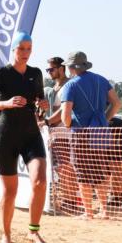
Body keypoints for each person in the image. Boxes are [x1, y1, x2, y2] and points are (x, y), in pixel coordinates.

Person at [0, 32, 50, 243]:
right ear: (13, 50)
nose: (25, 53)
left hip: (30, 134)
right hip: (6, 136)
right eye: (21, 48)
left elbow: (39, 102)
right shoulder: (2, 73)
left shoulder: (36, 73)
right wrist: (7, 103)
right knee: (10, 191)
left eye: (29, 48)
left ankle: (33, 231)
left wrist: (43, 106)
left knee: (39, 181)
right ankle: (6, 234)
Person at [58, 51, 121, 219]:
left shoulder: (70, 85)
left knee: (82, 172)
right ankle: (104, 210)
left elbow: (65, 115)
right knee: (101, 170)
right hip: (100, 131)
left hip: (80, 133)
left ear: (71, 67)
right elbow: (117, 104)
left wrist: (69, 125)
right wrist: (104, 119)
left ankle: (88, 212)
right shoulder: (101, 80)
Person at [43, 56, 76, 213]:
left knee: (65, 167)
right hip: (54, 133)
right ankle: (67, 199)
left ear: (61, 68)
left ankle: (71, 200)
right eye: (47, 70)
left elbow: (64, 110)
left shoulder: (68, 85)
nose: (49, 72)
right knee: (59, 168)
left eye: (51, 69)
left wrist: (47, 121)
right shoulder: (53, 88)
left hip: (64, 132)